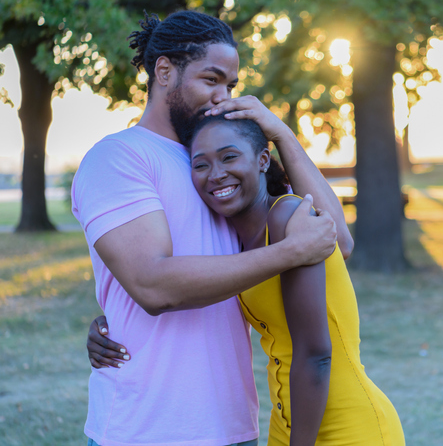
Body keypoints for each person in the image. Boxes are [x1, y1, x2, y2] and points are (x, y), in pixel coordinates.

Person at [73, 10, 352, 446]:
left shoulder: (216, 164)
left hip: (233, 428)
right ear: (164, 70)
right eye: (211, 80)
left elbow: (335, 239)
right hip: (147, 430)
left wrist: (280, 133)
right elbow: (153, 285)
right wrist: (290, 252)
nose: (222, 97)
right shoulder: (119, 157)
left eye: (231, 86)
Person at [94, 114, 406, 445]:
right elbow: (164, 277)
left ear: (262, 160)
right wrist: (107, 322)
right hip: (288, 424)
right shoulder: (236, 240)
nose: (216, 174)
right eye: (201, 165)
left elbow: (316, 354)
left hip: (348, 427)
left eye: (229, 157)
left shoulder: (289, 218)